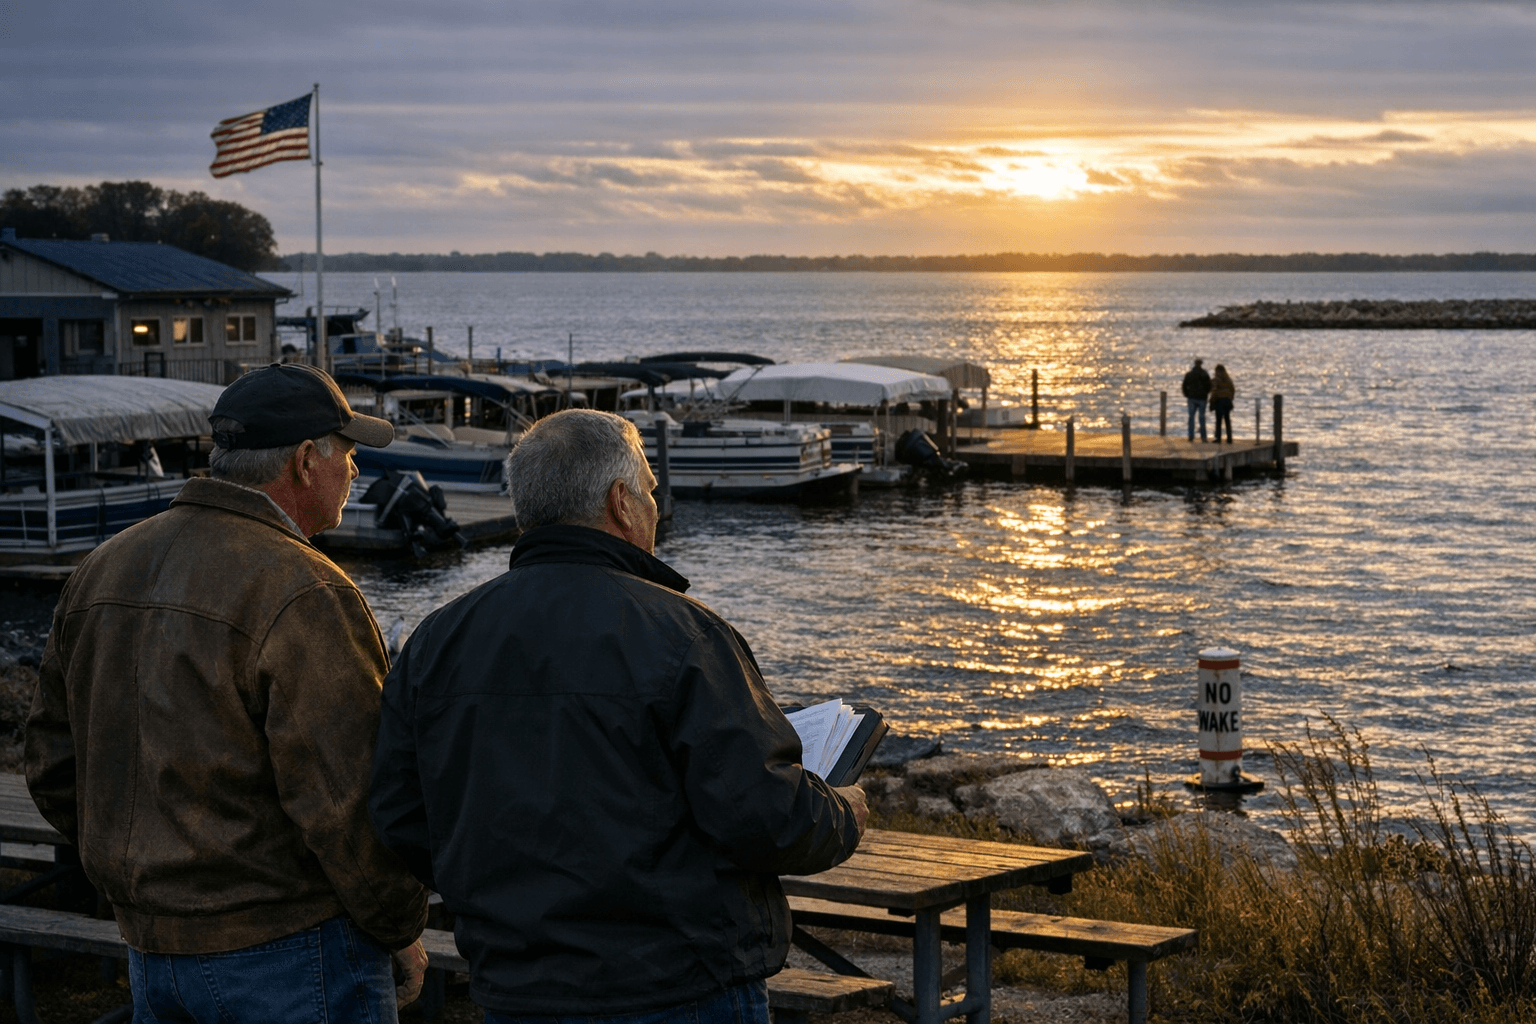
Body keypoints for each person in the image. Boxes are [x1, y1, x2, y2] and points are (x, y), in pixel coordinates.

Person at [370, 408, 868, 1024]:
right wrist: (844, 808)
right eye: (652, 493)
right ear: (621, 503)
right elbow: (766, 817)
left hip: (515, 985)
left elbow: (399, 815)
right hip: (674, 986)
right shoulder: (684, 635)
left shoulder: (435, 642)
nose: (656, 508)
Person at [25, 362, 431, 1024]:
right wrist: (398, 925)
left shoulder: (101, 568)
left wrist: (144, 881)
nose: (355, 471)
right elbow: (348, 802)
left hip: (153, 953)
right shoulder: (305, 589)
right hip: (291, 953)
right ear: (305, 462)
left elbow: (51, 757)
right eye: (348, 453)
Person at [1181, 357, 1211, 442]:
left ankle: (1191, 436)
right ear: (1201, 364)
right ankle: (1203, 437)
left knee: (1191, 417)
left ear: (1195, 364)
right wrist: (1205, 394)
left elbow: (1184, 386)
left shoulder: (1189, 374)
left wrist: (1187, 394)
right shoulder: (1205, 374)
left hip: (1192, 398)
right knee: (1202, 417)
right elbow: (1209, 386)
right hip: (1202, 398)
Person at [1209, 363, 1236, 444]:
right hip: (1227, 401)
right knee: (1227, 420)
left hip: (1220, 401)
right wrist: (1230, 398)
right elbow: (1233, 391)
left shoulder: (1216, 380)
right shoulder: (1228, 380)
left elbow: (1214, 391)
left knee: (1218, 420)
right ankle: (1229, 438)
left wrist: (1211, 402)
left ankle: (1218, 438)